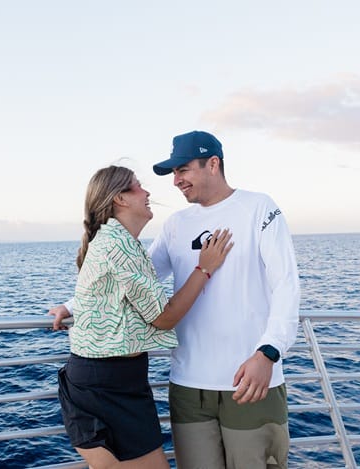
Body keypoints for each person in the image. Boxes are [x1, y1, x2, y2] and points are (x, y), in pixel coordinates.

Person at [53, 165, 233, 469]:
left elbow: (109, 293)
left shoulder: (118, 241)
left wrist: (71, 306)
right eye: (138, 187)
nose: (147, 193)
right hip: (107, 384)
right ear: (120, 199)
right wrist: (205, 268)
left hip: (107, 379)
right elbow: (163, 318)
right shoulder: (118, 245)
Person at [148, 130, 301, 469]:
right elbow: (134, 279)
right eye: (174, 173)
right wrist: (72, 307)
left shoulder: (259, 208)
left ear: (213, 164)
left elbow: (286, 285)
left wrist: (269, 352)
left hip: (251, 382)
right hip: (188, 387)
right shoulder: (176, 224)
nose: (176, 181)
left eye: (183, 170)